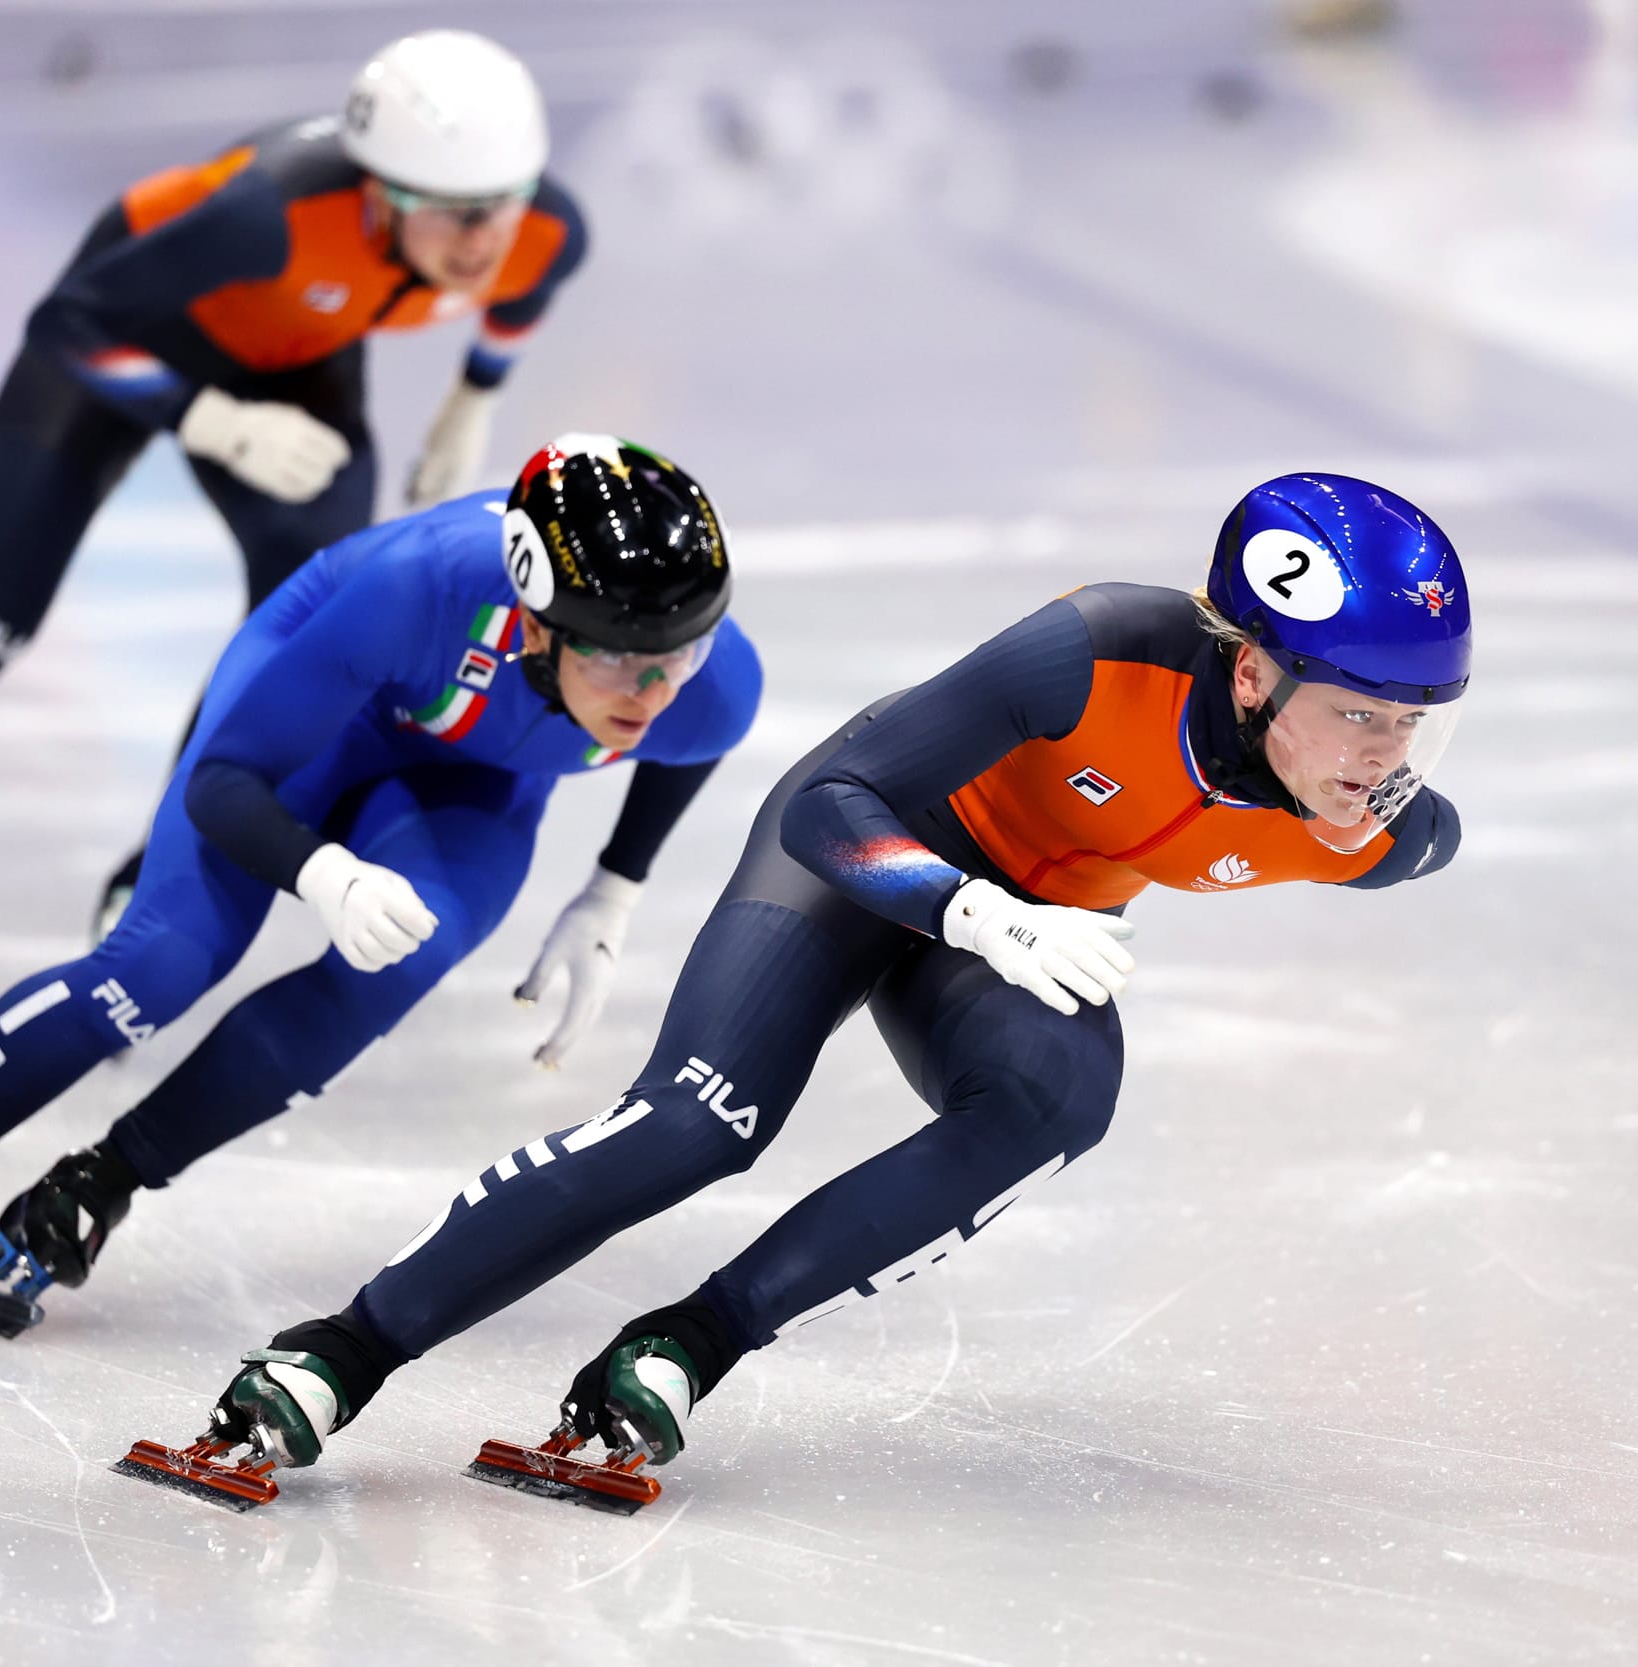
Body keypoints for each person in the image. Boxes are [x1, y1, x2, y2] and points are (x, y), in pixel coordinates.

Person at [146, 471, 1473, 1487]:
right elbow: (831, 805)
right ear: (1251, 668)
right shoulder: (1090, 649)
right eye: (1361, 711)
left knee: (1056, 1101)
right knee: (700, 1123)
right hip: (868, 854)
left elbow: (1433, 833)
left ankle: (687, 1340)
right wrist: (976, 912)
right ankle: (340, 1348)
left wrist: (1017, 925)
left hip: (1023, 922)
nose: (1383, 752)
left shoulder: (1370, 826)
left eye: (1411, 720)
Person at [0, 435, 761, 1343]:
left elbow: (684, 744)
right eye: (624, 661)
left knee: (400, 963)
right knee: (152, 967)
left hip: (476, 770)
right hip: (312, 711)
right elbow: (227, 783)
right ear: (533, 623)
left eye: (683, 653)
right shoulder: (405, 591)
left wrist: (611, 890)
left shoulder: (707, 686)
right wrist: (318, 867)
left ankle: (104, 1178)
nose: (657, 691)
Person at [0, 29, 589, 1056]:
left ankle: (152, 875)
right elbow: (68, 322)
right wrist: (211, 422)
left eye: (502, 206)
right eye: (454, 215)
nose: (483, 242)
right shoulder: (266, 210)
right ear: (379, 194)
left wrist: (470, 401)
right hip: (119, 346)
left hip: (294, 364)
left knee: (300, 636)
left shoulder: (542, 229)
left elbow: (522, 286)